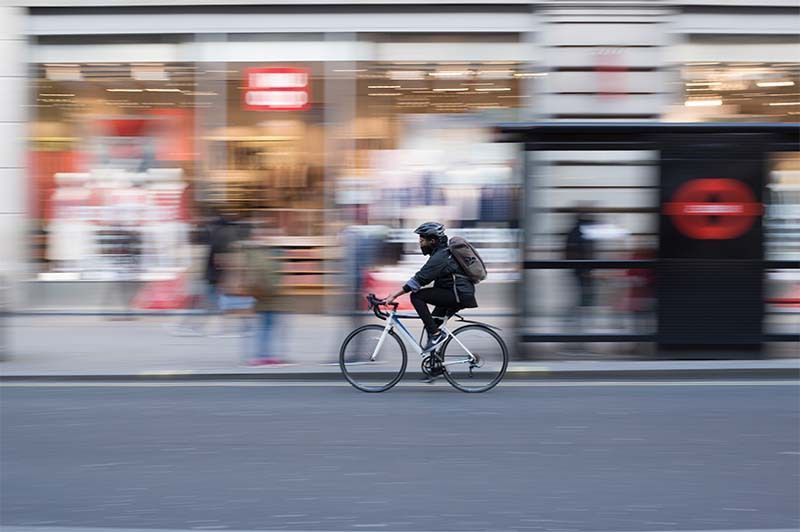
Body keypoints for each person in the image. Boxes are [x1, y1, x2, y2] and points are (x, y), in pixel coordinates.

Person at [381, 222, 477, 353]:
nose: (420, 244)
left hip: (457, 294)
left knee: (416, 296)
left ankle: (436, 335)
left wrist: (394, 295)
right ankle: (434, 365)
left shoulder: (441, 256)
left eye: (422, 240)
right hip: (456, 293)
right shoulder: (441, 253)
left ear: (432, 240)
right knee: (431, 324)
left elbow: (420, 279)